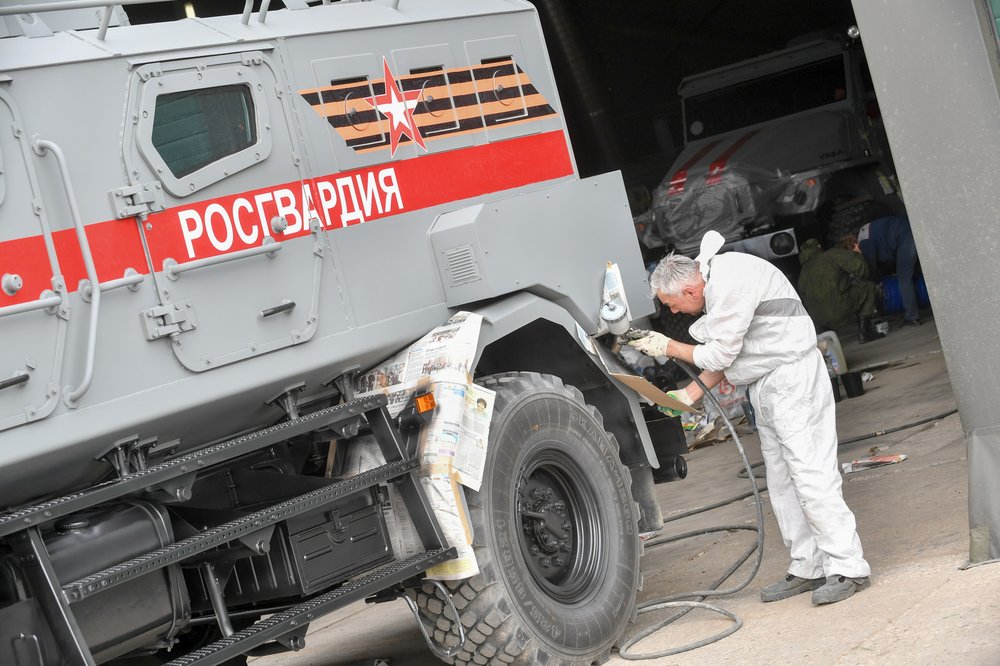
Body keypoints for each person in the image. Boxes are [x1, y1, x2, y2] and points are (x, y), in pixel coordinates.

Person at [627, 231, 871, 605]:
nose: (672, 313)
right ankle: (808, 566)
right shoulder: (716, 280)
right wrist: (687, 395)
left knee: (811, 474)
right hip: (767, 384)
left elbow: (719, 356)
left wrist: (667, 346)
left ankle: (849, 567)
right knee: (783, 480)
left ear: (690, 291)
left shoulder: (731, 282)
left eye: (671, 305)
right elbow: (733, 352)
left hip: (793, 379)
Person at [796, 238, 885, 343]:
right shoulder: (830, 256)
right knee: (868, 287)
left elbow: (802, 298)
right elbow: (860, 267)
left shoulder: (803, 272)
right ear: (818, 247)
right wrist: (859, 255)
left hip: (818, 321)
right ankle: (865, 332)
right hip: (839, 309)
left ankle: (828, 340)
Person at [842, 214, 922, 326]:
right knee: (917, 270)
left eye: (854, 254)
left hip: (905, 237)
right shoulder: (865, 232)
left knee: (903, 277)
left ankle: (912, 317)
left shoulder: (864, 243)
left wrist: (874, 283)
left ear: (854, 245)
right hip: (912, 227)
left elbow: (870, 269)